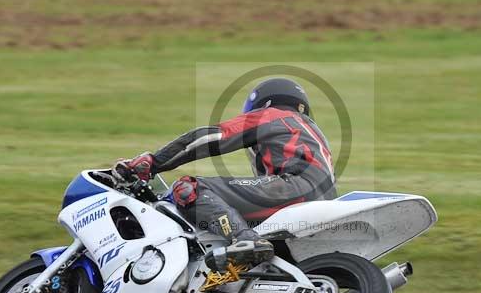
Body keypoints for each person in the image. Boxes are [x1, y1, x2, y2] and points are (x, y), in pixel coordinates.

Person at [114, 78, 336, 272]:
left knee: (189, 188)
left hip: (293, 188)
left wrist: (154, 162)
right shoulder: (312, 132)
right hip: (325, 201)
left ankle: (244, 240)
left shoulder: (272, 115)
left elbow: (210, 138)